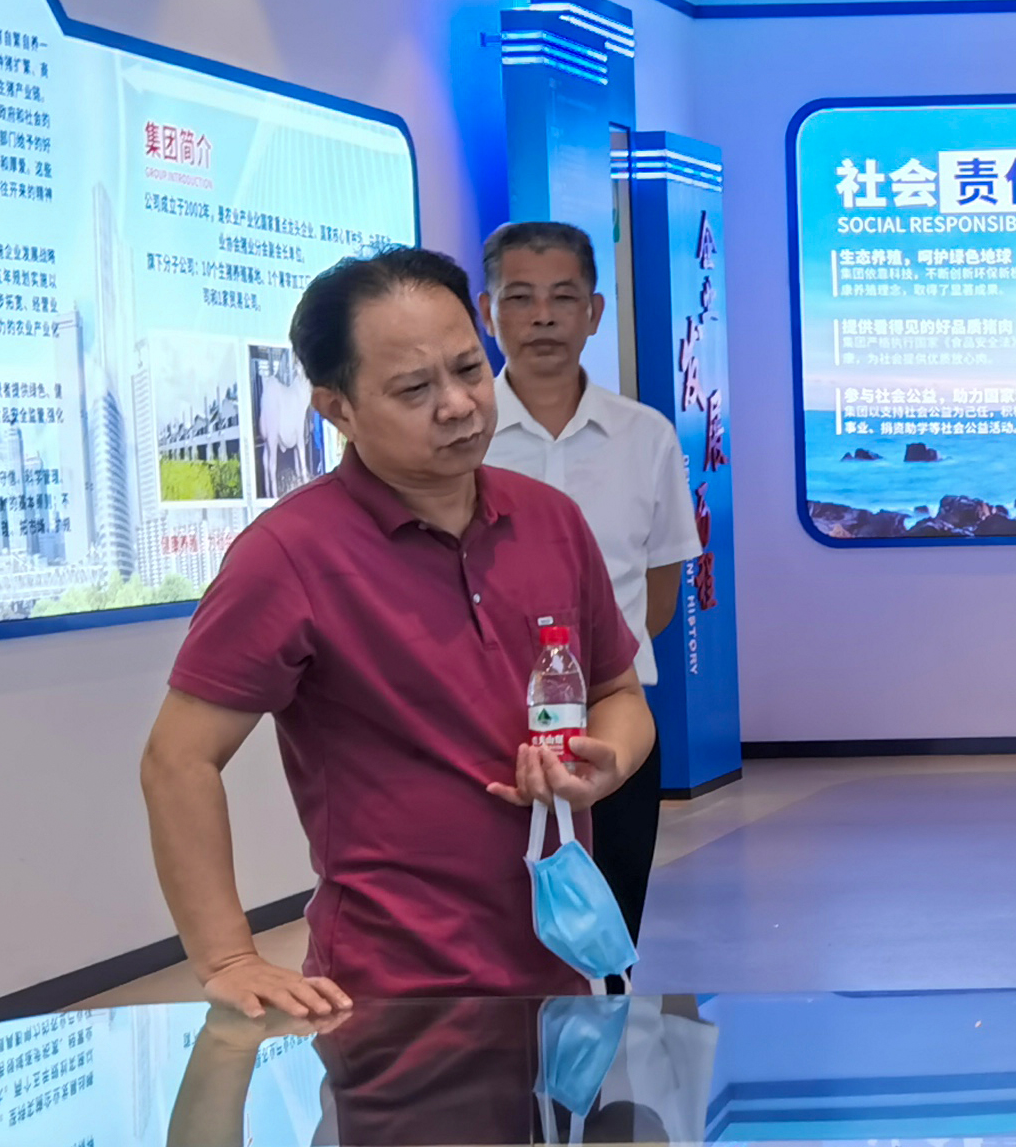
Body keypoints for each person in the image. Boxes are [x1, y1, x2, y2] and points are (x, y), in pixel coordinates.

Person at [142, 248, 651, 1013]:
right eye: (415, 389)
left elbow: (620, 693)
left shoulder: (550, 521)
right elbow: (177, 759)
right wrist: (227, 957)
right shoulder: (290, 555)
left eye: (469, 370)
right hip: (391, 995)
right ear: (336, 409)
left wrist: (606, 767)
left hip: (567, 964)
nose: (458, 405)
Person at [478, 219, 703, 935]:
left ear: (595, 311)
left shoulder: (646, 436)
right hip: (486, 727)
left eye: (563, 297)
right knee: (495, 930)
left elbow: (659, 592)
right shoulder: (461, 437)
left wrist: (600, 672)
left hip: (614, 725)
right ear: (487, 311)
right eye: (519, 298)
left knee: (609, 930)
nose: (542, 317)